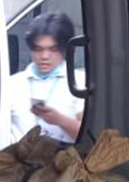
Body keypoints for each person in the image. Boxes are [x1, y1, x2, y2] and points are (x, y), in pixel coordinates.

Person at [10, 12, 84, 144]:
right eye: (38, 49)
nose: (44, 56)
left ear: (64, 49)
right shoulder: (13, 84)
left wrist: (60, 120)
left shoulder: (79, 82)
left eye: (53, 49)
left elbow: (86, 137)